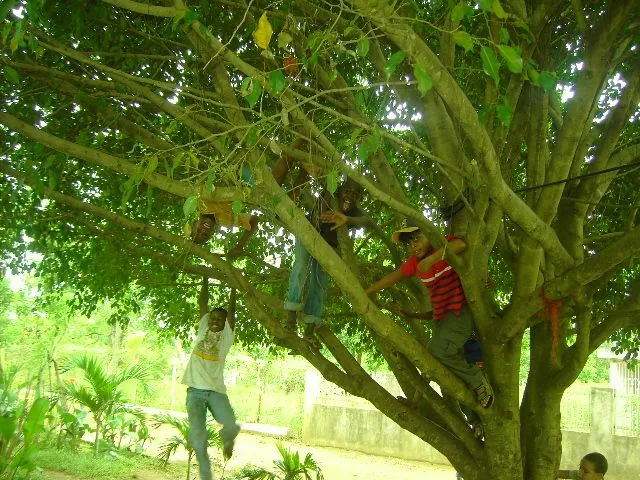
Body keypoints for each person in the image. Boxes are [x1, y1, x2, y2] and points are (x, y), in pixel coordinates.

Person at [365, 218, 494, 408]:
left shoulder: (441, 247)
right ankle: (419, 402)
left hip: (460, 313)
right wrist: (369, 291)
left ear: (428, 234)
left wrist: (432, 259)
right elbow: (394, 276)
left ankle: (478, 381)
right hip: (442, 319)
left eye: (417, 238)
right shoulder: (414, 263)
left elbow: (461, 244)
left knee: (437, 350)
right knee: (430, 361)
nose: (413, 245)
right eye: (409, 243)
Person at [284, 178, 371, 348]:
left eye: (355, 194)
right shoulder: (329, 196)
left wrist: (346, 219)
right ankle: (290, 314)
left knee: (320, 283)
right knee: (301, 267)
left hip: (329, 247)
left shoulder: (353, 212)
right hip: (308, 234)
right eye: (347, 192)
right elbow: (316, 219)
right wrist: (323, 210)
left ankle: (310, 328)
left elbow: (367, 221)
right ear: (339, 191)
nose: (350, 197)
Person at [182, 278, 240, 480]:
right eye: (212, 318)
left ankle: (227, 440)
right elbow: (202, 303)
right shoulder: (202, 329)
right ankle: (206, 476)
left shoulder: (226, 337)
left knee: (231, 424)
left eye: (219, 319)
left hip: (215, 391)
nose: (215, 321)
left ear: (225, 324)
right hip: (195, 392)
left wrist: (234, 286)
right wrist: (205, 279)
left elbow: (232, 313)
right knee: (198, 438)